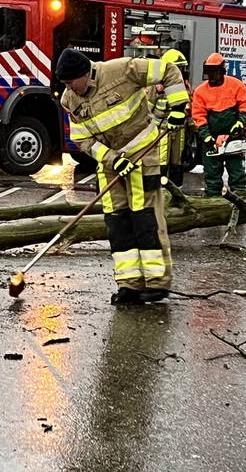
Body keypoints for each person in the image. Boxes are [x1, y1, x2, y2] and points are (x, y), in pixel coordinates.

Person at [57, 47, 189, 305]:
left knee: (145, 216)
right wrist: (112, 159)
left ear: (85, 73)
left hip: (142, 151)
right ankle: (129, 284)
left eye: (71, 82)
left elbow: (168, 70)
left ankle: (157, 282)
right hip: (111, 163)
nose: (69, 88)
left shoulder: (122, 69)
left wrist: (178, 108)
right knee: (118, 222)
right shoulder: (69, 99)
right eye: (65, 83)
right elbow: (82, 139)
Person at [191, 53, 246, 197]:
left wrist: (240, 122)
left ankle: (240, 199)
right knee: (212, 175)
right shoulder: (200, 91)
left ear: (221, 70)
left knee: (237, 173)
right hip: (211, 138)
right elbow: (198, 116)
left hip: (233, 137)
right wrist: (206, 136)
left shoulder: (235, 85)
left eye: (214, 71)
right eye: (209, 72)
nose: (211, 75)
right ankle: (214, 202)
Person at [150, 48, 192, 189]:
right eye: (177, 68)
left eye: (182, 68)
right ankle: (160, 191)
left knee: (177, 161)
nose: (180, 71)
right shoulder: (156, 86)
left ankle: (177, 190)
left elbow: (188, 109)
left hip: (179, 130)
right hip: (161, 131)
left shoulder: (185, 86)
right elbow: (146, 111)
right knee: (161, 160)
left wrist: (194, 128)